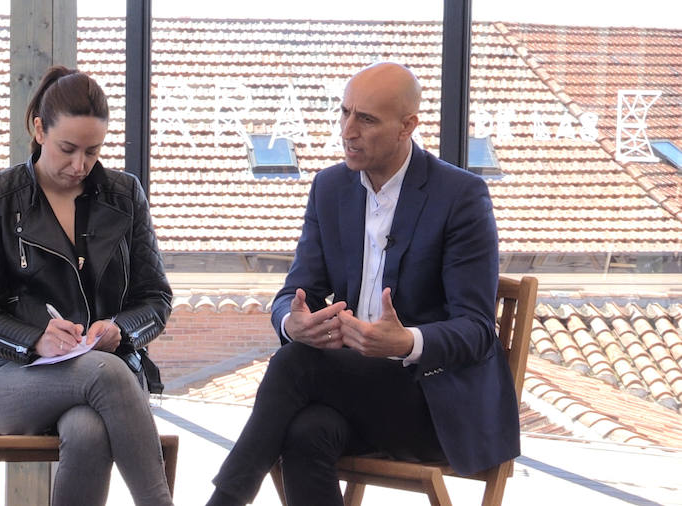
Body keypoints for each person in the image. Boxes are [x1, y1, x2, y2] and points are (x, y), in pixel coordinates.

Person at [207, 62, 519, 506]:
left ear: (407, 126)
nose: (348, 131)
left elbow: (475, 330)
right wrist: (292, 324)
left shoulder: (460, 197)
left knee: (297, 365)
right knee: (305, 431)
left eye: (366, 119)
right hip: (350, 391)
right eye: (345, 112)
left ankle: (226, 499)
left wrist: (406, 341)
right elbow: (293, 295)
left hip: (432, 404)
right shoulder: (330, 188)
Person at [0, 65, 173, 506]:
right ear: (39, 129)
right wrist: (36, 340)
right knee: (108, 372)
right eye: (68, 149)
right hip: (11, 378)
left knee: (88, 429)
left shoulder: (124, 195)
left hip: (99, 380)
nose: (80, 165)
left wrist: (119, 329)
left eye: (93, 152)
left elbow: (156, 301)